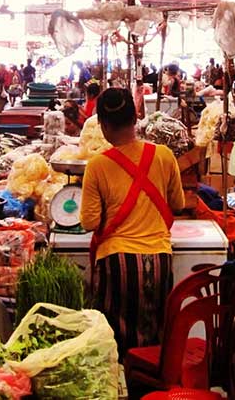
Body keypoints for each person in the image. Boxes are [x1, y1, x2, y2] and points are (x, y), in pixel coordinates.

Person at [80, 88, 185, 357]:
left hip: (117, 263)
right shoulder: (163, 155)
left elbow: (90, 222)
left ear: (103, 125)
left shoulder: (97, 166)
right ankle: (151, 390)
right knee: (155, 335)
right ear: (136, 117)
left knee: (116, 338)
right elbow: (178, 205)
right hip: (160, 259)